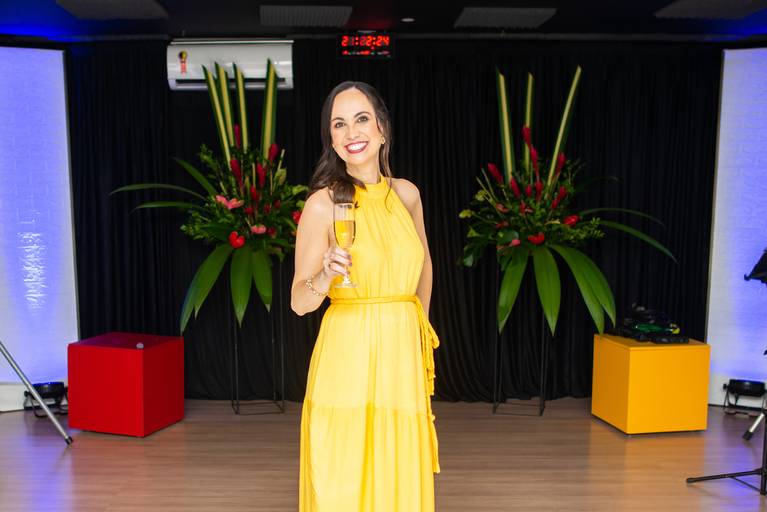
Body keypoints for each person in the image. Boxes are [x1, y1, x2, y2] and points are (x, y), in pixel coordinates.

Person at [290, 81, 441, 511]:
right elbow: (299, 302)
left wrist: (419, 333)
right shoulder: (322, 205)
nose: (351, 132)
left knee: (397, 471)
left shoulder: (407, 194)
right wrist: (325, 274)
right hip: (347, 355)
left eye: (361, 119)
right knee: (344, 474)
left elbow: (425, 267)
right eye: (339, 124)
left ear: (382, 129)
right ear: (331, 139)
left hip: (400, 359)